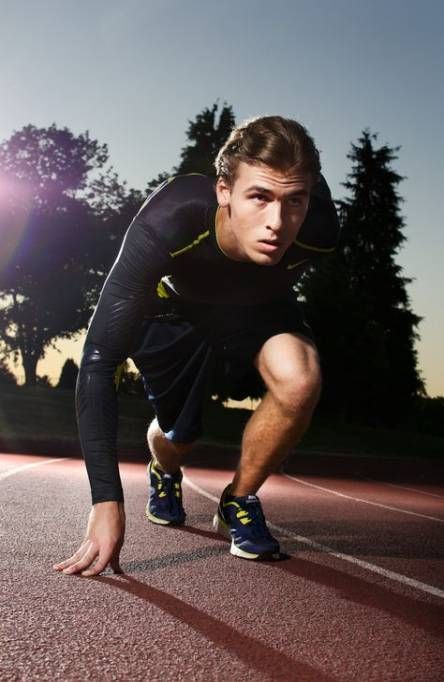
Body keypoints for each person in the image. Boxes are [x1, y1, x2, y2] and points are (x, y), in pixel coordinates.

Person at [53, 115, 339, 576]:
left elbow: (283, 280)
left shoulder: (320, 231)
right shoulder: (171, 218)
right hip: (175, 312)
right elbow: (100, 359)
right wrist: (106, 499)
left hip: (256, 304)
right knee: (178, 437)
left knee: (300, 377)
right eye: (260, 198)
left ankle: (237, 501)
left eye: (294, 202)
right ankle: (164, 470)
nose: (277, 223)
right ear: (223, 191)